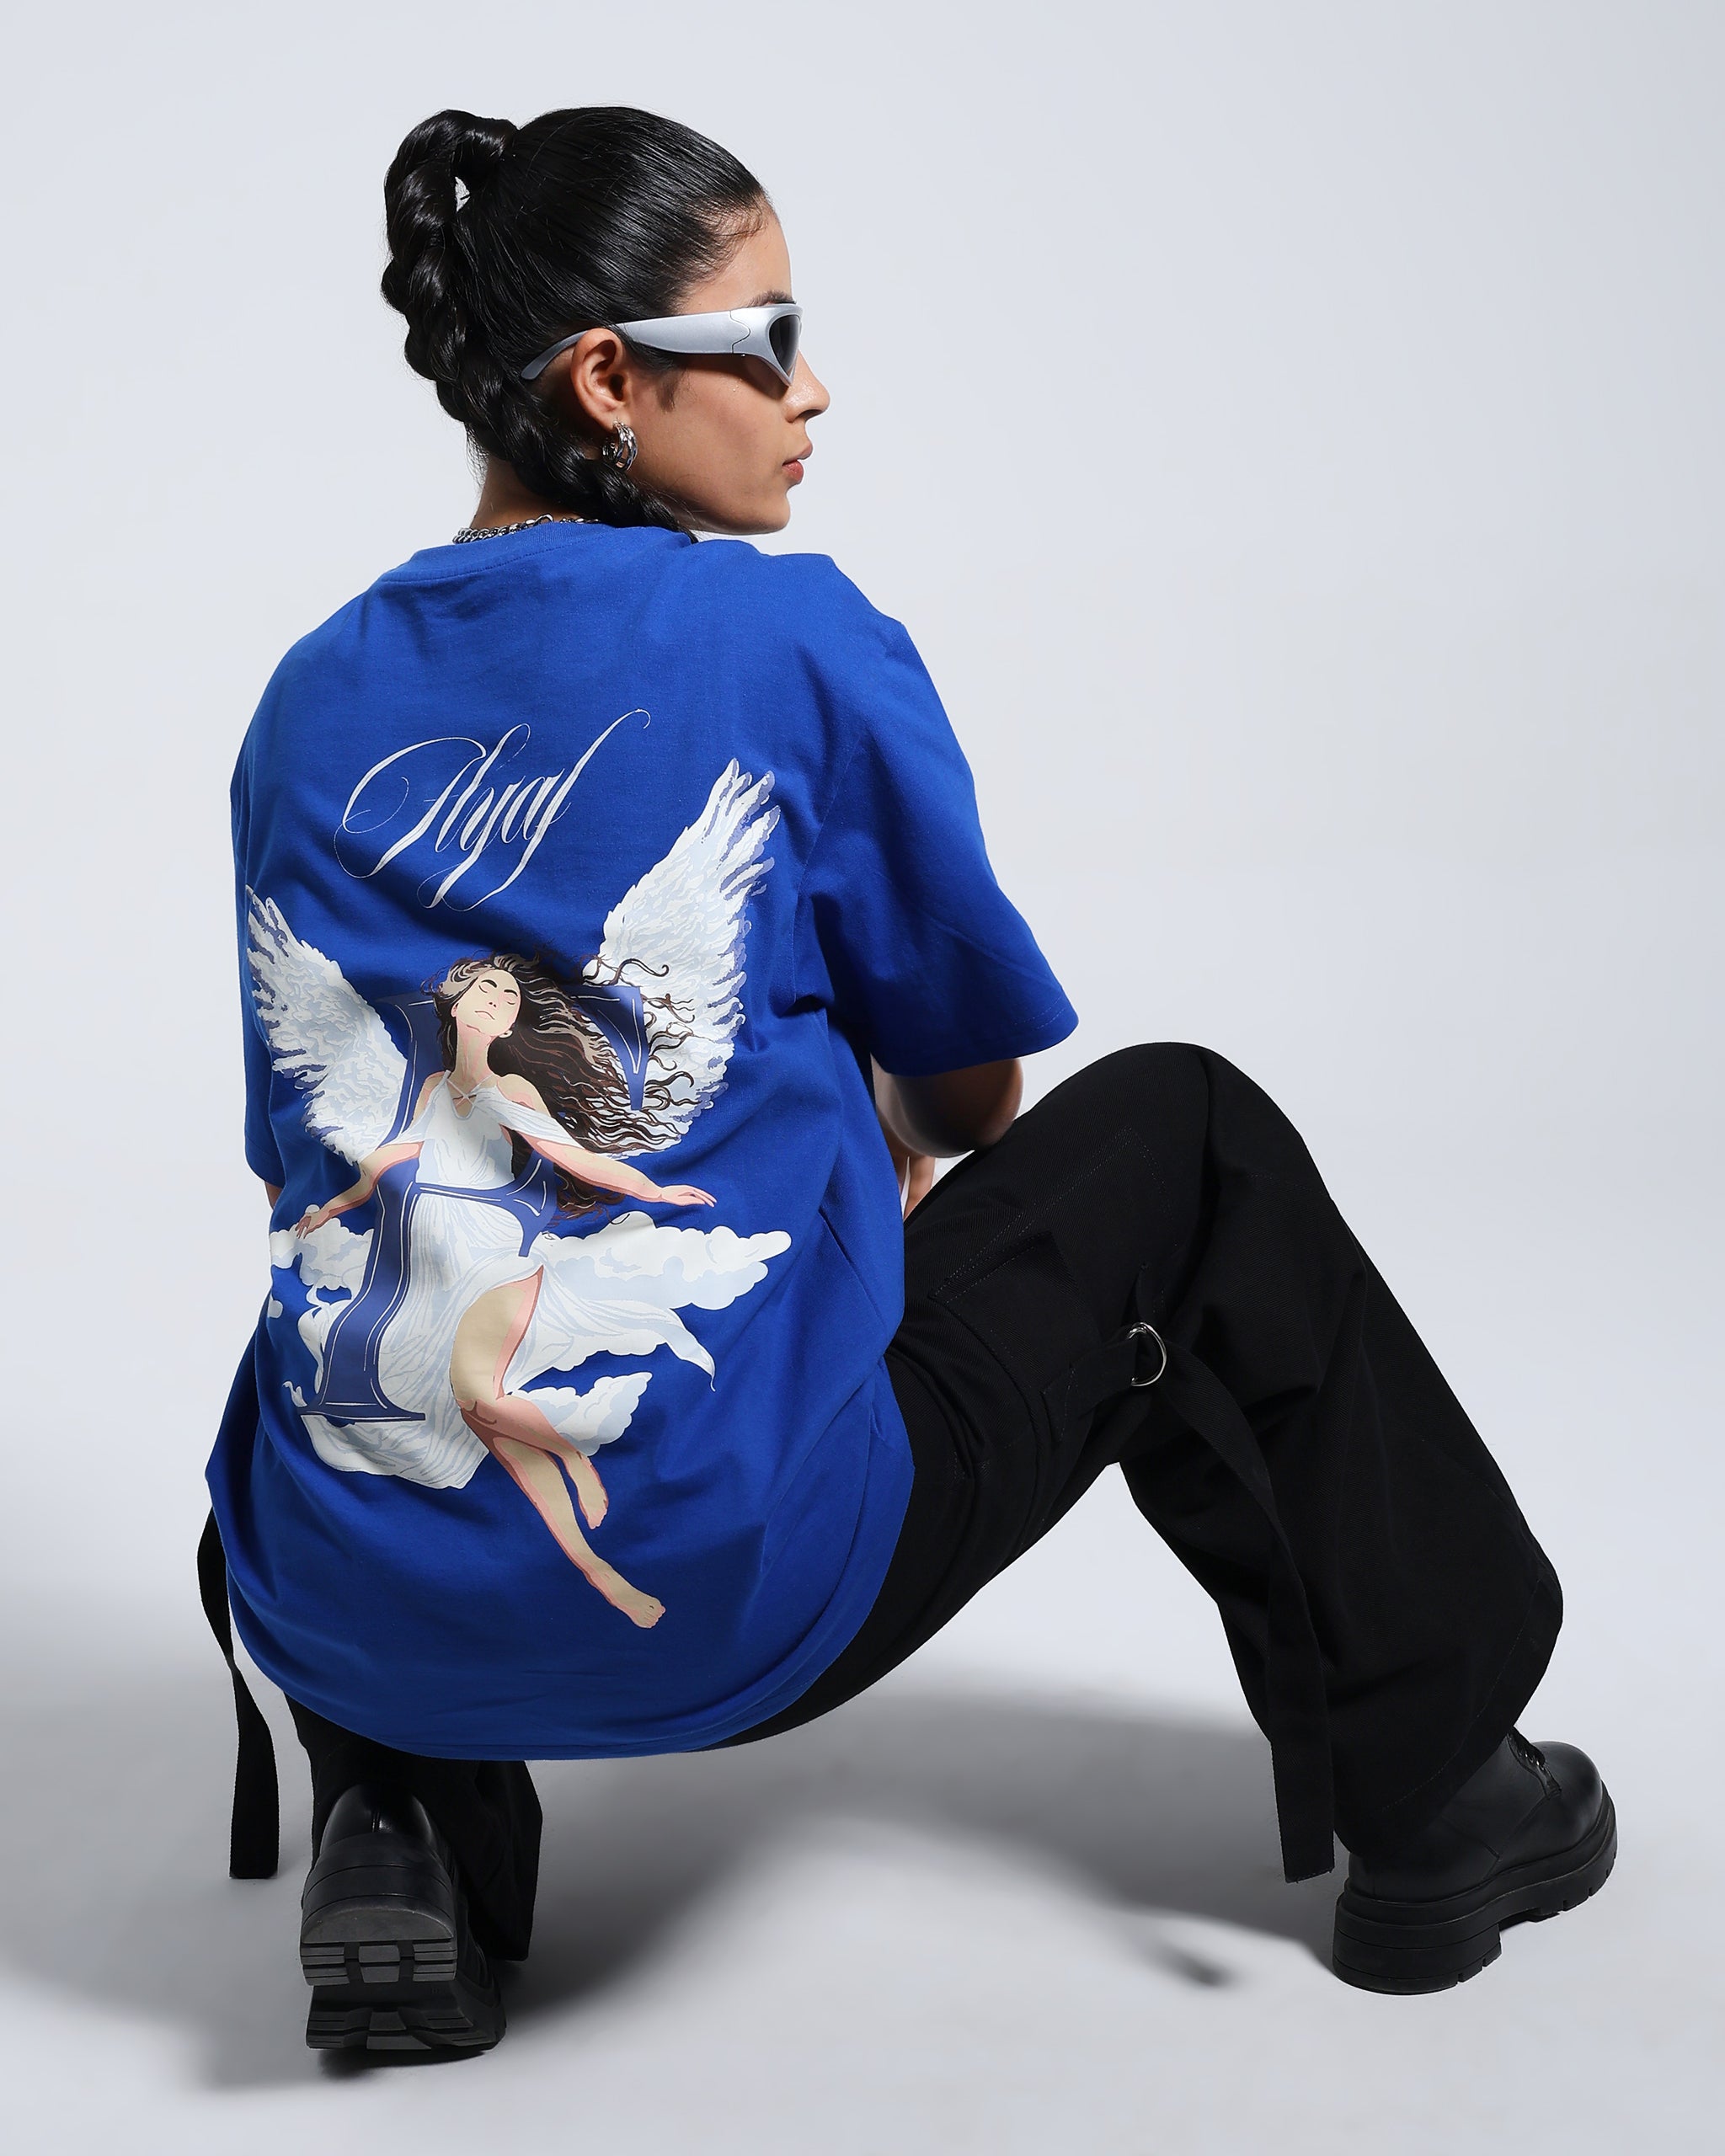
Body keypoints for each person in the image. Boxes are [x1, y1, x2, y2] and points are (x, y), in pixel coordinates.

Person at [204, 104, 1616, 2056]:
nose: (813, 391)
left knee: (370, 1268)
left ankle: (402, 1814)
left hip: (346, 1588)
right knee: (1186, 1136)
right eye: (767, 338)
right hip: (733, 1591)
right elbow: (971, 1096)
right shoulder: (791, 637)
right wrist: (877, 1147)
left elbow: (315, 1144)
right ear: (609, 379)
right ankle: (1440, 1794)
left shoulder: (305, 696)